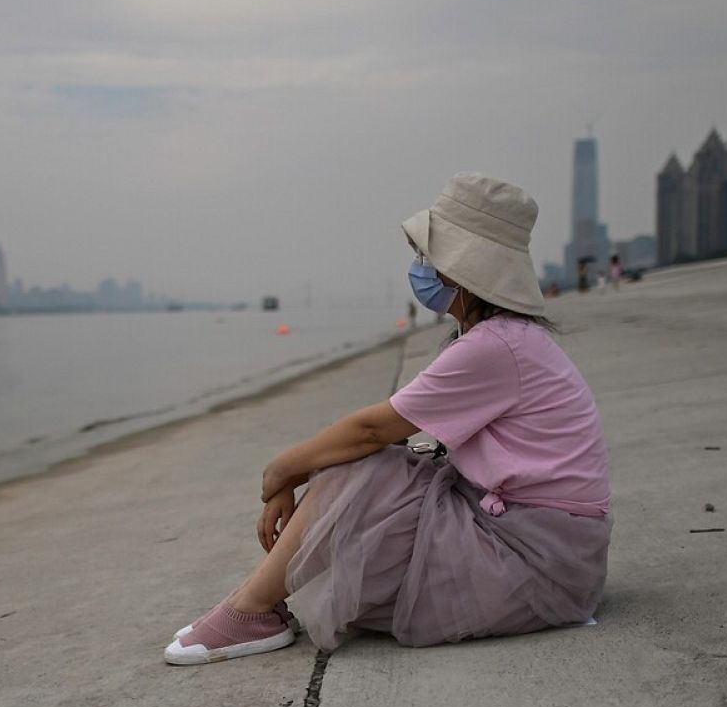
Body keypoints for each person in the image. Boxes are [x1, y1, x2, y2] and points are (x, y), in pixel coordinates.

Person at [165, 173, 612, 665]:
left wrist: (280, 472)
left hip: (535, 557)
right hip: (543, 541)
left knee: (361, 467)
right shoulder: (505, 339)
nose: (420, 268)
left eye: (429, 257)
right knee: (369, 478)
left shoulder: (494, 346)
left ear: (462, 272)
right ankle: (258, 603)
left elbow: (370, 430)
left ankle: (252, 607)